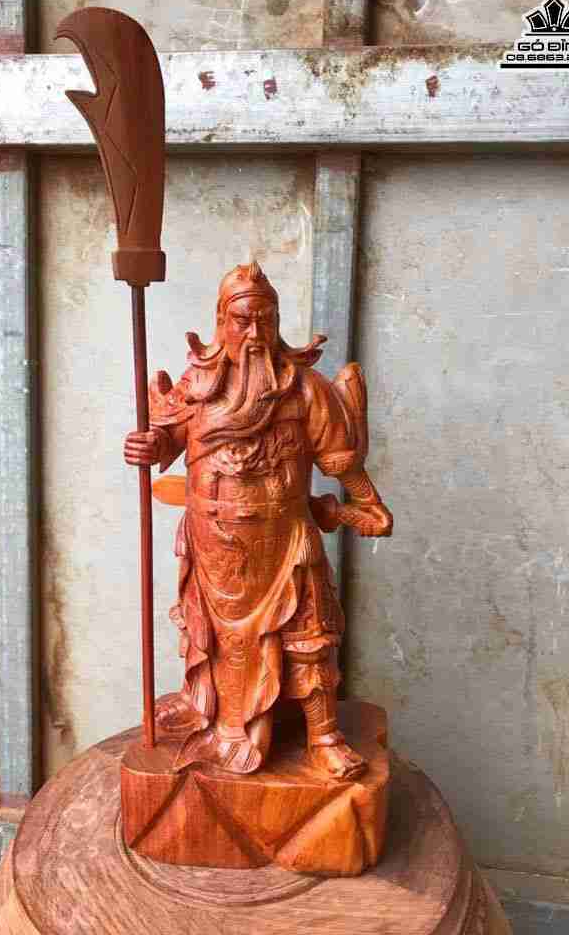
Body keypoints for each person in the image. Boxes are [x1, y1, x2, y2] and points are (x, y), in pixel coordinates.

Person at [124, 261, 393, 780]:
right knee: (208, 636)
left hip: (284, 539)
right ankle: (206, 706)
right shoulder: (198, 386)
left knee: (310, 636)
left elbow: (343, 465)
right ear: (221, 322)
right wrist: (147, 446)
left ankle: (324, 737)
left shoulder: (306, 389)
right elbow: (166, 442)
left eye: (265, 321)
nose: (253, 334)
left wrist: (365, 503)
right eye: (242, 321)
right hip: (213, 543)